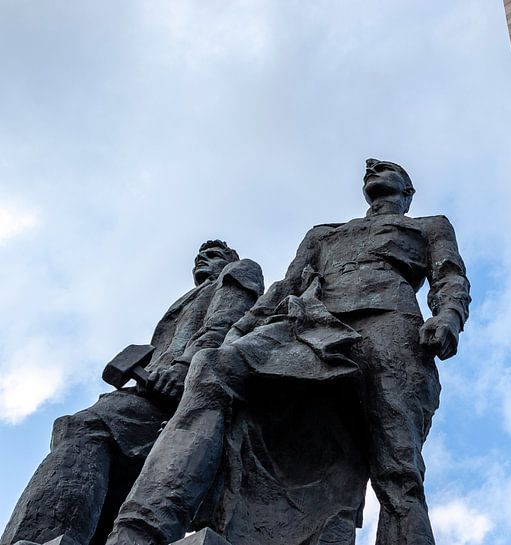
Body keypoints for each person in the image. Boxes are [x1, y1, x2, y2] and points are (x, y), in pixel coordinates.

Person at [105, 159, 470, 545]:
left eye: (384, 168)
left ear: (408, 192)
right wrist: (238, 332)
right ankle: (141, 529)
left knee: (398, 465)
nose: (370, 168)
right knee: (212, 368)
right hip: (310, 322)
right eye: (369, 169)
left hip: (389, 325)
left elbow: (450, 275)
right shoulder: (323, 234)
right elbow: (286, 286)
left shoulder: (430, 226)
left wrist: (449, 316)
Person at [1, 240, 263, 545]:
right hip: (154, 385)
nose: (201, 260)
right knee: (112, 465)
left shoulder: (240, 270)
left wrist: (183, 368)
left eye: (213, 255)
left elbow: (226, 321)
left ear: (230, 258)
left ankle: (41, 538)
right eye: (198, 257)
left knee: (88, 426)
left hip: (186, 390)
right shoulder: (189, 297)